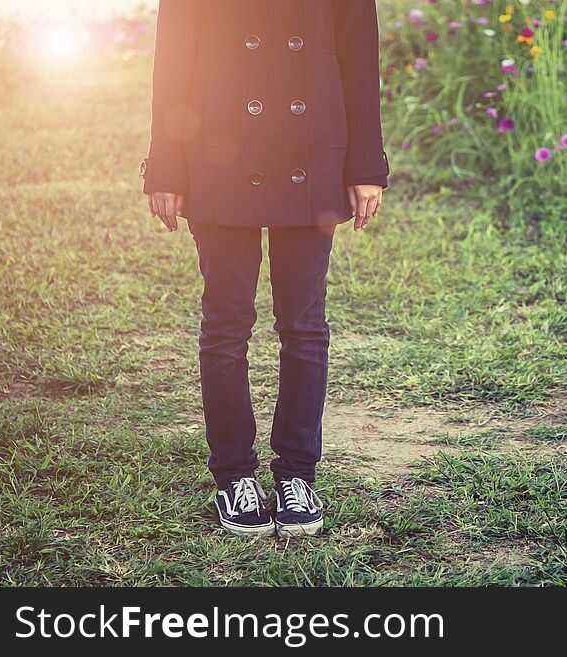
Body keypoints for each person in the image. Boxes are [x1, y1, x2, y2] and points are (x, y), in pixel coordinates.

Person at [139, 0, 390, 537]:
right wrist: (165, 163)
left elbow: (359, 56)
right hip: (218, 149)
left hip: (313, 149)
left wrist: (366, 162)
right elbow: (174, 55)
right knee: (227, 323)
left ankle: (297, 474)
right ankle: (234, 475)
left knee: (304, 325)